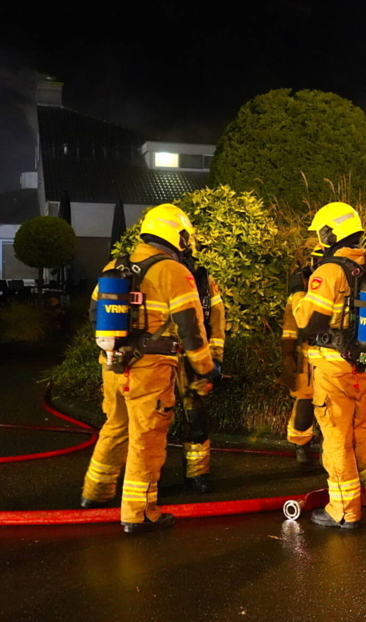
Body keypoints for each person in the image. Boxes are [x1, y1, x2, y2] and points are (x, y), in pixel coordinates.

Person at [80, 203, 219, 534]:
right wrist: (204, 366)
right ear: (177, 235)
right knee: (147, 439)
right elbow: (191, 327)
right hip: (151, 370)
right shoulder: (173, 271)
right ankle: (139, 513)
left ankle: (94, 495)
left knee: (115, 427)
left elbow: (92, 316)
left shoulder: (114, 266)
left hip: (114, 365)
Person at [294, 202, 366, 528]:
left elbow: (310, 324)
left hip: (334, 368)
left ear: (329, 233)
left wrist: (298, 295)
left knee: (337, 438)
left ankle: (343, 511)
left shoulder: (328, 271)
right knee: (364, 432)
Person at [178, 265, 226, 493]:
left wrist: (214, 358)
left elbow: (216, 318)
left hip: (194, 358)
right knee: (152, 420)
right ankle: (148, 476)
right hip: (157, 359)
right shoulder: (153, 273)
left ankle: (197, 473)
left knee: (197, 419)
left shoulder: (203, 279)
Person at [278, 246, 323, 466]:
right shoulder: (300, 296)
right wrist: (288, 360)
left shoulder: (338, 286)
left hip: (332, 358)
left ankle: (329, 449)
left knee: (333, 407)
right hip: (307, 362)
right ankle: (301, 445)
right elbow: (290, 330)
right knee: (304, 407)